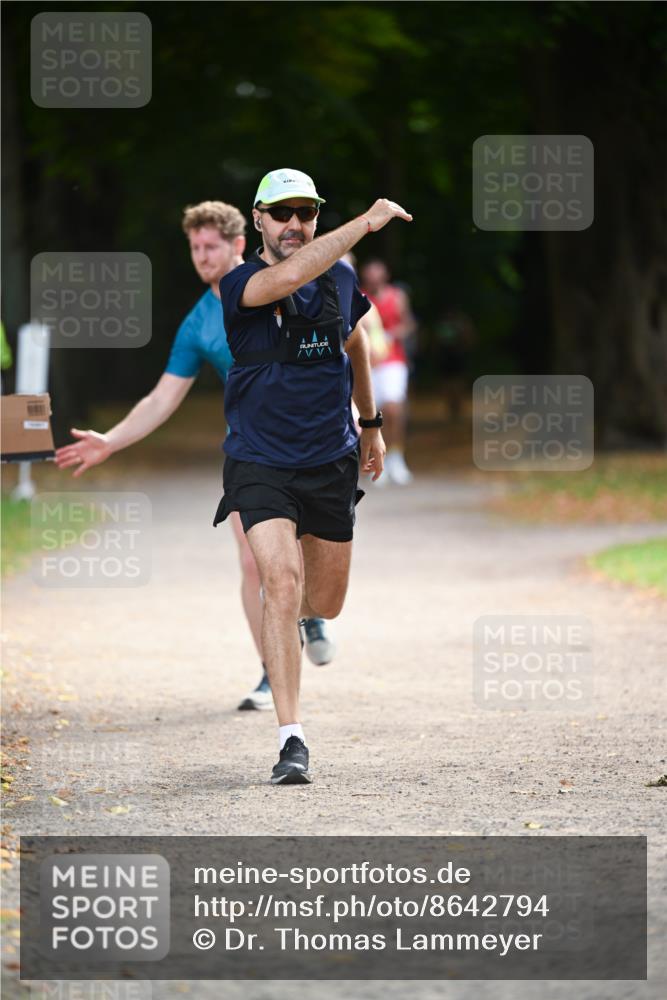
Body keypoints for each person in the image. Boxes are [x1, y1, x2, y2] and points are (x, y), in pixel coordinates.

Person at [54, 200, 336, 711]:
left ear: (236, 244)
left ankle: (306, 609)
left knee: (310, 563)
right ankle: (274, 672)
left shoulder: (282, 280)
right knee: (254, 562)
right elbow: (163, 395)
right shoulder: (197, 324)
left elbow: (342, 340)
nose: (203, 256)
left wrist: (365, 419)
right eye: (195, 248)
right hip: (253, 450)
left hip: (316, 445)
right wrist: (111, 440)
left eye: (212, 246)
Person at [215, 167, 412, 784]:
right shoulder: (242, 282)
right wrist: (368, 221)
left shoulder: (342, 280)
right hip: (259, 460)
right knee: (280, 577)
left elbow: (355, 341)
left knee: (324, 599)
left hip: (329, 458)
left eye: (305, 212)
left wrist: (372, 423)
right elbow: (291, 275)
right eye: (282, 213)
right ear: (258, 220)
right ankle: (291, 739)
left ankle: (308, 615)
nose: (294, 224)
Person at [360, 259, 417, 485]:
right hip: (368, 362)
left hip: (393, 359)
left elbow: (409, 323)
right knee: (374, 414)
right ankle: (376, 459)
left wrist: (392, 334)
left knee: (393, 408)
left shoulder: (397, 297)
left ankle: (396, 455)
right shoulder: (360, 298)